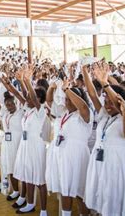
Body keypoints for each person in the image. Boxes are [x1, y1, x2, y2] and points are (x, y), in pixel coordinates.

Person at [84, 62, 125, 216]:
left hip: (115, 163)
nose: (107, 105)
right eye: (106, 102)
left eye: (111, 102)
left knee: (112, 200)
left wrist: (105, 83)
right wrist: (85, 72)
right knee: (99, 198)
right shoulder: (105, 115)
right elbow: (93, 94)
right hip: (99, 160)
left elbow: (117, 101)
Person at [46, 79, 91, 216]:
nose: (67, 102)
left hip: (77, 156)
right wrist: (51, 88)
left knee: (80, 190)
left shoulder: (84, 115)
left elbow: (83, 107)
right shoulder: (64, 113)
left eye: (70, 99)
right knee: (65, 188)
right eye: (66, 99)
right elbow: (49, 102)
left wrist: (67, 90)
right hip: (62, 156)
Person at [12, 66, 48, 216]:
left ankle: (44, 210)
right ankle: (30, 203)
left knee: (39, 178)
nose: (28, 99)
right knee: (28, 176)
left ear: (38, 99)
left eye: (33, 97)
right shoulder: (28, 109)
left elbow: (31, 95)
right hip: (25, 145)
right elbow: (25, 95)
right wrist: (20, 80)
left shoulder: (41, 110)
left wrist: (27, 79)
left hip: (36, 145)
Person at [0, 77, 24, 201]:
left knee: (19, 169)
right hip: (7, 144)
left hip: (18, 143)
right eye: (7, 104)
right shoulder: (4, 112)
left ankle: (23, 195)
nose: (9, 106)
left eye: (11, 103)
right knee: (10, 168)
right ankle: (16, 191)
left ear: (15, 103)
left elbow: (20, 96)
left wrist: (7, 84)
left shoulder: (20, 113)